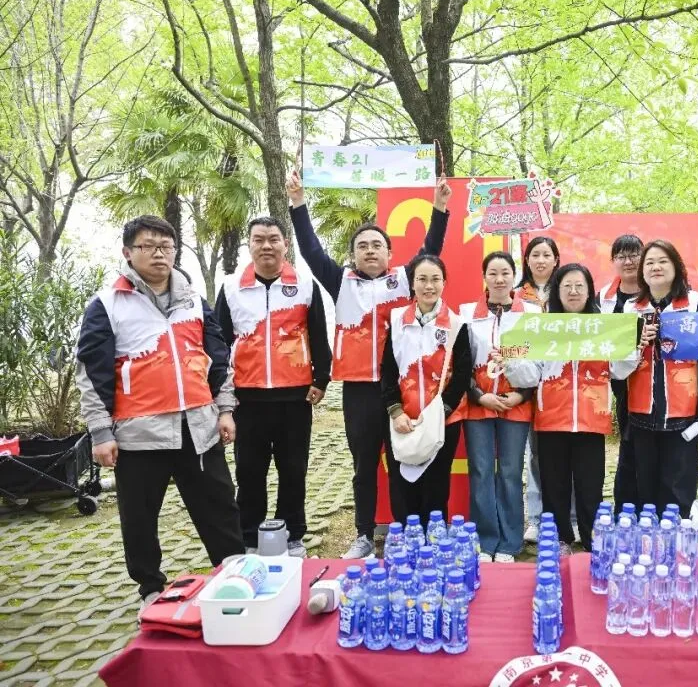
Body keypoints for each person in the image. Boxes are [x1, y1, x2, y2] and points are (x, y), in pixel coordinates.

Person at [75, 215, 243, 618]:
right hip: (139, 435)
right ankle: (150, 587)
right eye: (148, 246)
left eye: (166, 246)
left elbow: (219, 359)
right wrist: (101, 433)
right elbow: (91, 373)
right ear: (127, 252)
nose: (158, 254)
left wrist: (225, 409)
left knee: (220, 508)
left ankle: (234, 574)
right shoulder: (107, 304)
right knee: (139, 518)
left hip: (198, 429)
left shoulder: (193, 301)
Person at [287, 171, 451, 559]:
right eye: (362, 246)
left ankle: (400, 532)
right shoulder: (340, 281)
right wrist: (297, 203)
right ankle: (363, 534)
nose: (371, 251)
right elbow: (311, 250)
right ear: (353, 254)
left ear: (390, 253)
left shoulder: (404, 280)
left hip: (399, 389)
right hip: (358, 389)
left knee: (399, 461)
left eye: (378, 245)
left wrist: (440, 208)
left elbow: (431, 247)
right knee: (363, 466)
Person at [214, 216, 331, 558]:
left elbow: (319, 333)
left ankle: (292, 535)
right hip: (246, 397)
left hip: (295, 396)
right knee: (249, 472)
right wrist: (222, 393)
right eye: (259, 239)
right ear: (249, 245)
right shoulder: (231, 287)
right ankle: (250, 537)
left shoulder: (305, 284)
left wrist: (321, 378)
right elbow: (219, 343)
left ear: (285, 244)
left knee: (293, 470)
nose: (266, 245)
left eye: (273, 239)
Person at [507, 264, 636, 555]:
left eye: (580, 286)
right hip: (552, 418)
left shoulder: (603, 328)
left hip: (591, 419)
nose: (574, 292)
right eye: (567, 286)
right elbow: (531, 374)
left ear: (589, 291)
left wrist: (632, 346)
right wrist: (513, 360)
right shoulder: (542, 327)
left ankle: (592, 541)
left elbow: (619, 370)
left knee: (591, 486)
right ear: (557, 291)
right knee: (554, 485)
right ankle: (560, 539)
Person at [623, 239, 698, 517]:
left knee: (678, 486)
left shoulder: (695, 303)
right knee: (644, 485)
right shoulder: (631, 308)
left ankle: (676, 534)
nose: (656, 267)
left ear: (676, 267)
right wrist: (636, 343)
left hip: (683, 411)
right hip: (640, 411)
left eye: (663, 261)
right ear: (642, 270)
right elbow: (617, 362)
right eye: (650, 262)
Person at [459, 252, 539, 563]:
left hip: (515, 405)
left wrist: (522, 395)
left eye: (505, 272)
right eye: (493, 273)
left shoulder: (531, 313)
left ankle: (510, 542)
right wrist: (479, 396)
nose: (499, 279)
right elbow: (460, 364)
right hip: (479, 405)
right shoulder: (468, 314)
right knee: (480, 471)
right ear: (484, 277)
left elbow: (540, 362)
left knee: (510, 472)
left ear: (514, 275)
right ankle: (485, 540)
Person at [381, 254, 471, 523]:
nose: (428, 286)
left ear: (444, 283)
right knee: (403, 487)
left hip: (443, 419)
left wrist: (441, 412)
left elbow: (462, 373)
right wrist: (396, 411)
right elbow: (388, 369)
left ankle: (434, 540)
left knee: (436, 487)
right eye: (422, 279)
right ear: (412, 283)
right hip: (403, 419)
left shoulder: (456, 324)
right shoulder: (398, 320)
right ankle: (407, 540)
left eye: (435, 279)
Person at [516, 236, 565, 543]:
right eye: (535, 255)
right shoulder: (516, 296)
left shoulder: (568, 290)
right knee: (534, 453)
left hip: (563, 383)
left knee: (565, 453)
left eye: (547, 254)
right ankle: (535, 517)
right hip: (528, 384)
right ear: (527, 260)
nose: (541, 260)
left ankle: (570, 516)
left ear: (556, 259)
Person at [597, 234, 643, 510]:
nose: (628, 261)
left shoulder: (659, 292)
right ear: (613, 261)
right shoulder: (603, 298)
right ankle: (624, 509)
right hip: (619, 385)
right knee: (628, 445)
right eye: (621, 256)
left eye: (634, 255)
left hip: (653, 384)